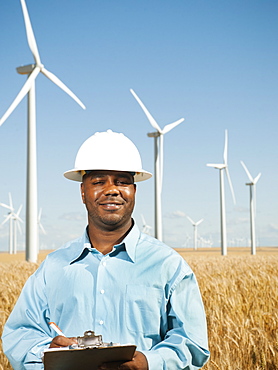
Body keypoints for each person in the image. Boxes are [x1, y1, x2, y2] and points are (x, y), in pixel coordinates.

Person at [2, 130, 210, 369]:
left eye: (122, 181)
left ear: (134, 191)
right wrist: (47, 351)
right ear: (83, 192)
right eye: (99, 182)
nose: (112, 189)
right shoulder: (53, 267)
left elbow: (193, 343)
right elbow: (18, 335)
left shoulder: (168, 265)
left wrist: (148, 362)